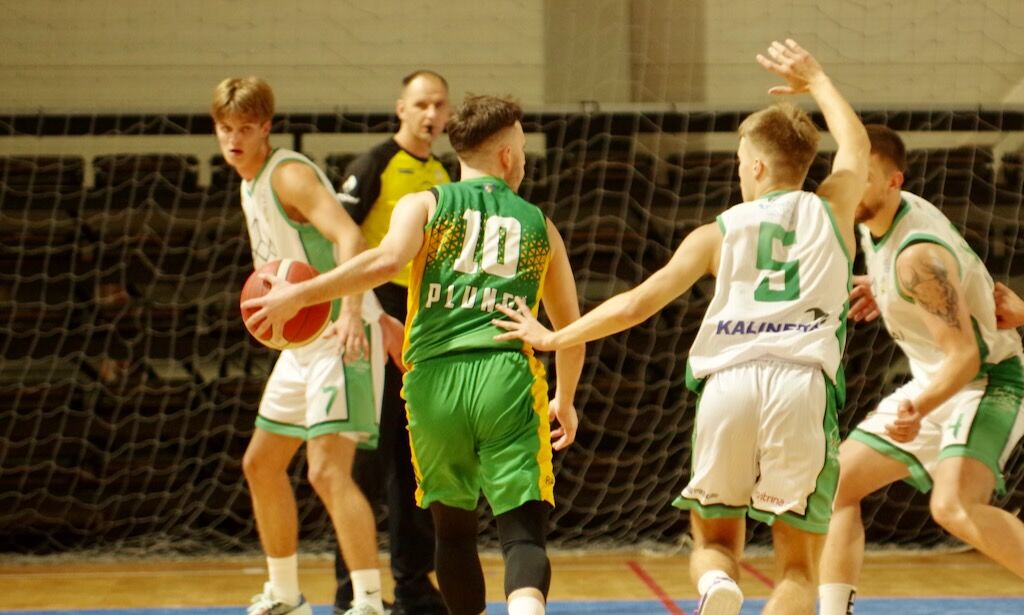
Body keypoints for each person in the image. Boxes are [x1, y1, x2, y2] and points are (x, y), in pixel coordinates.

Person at [490, 39, 868, 615]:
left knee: (714, 543)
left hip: (728, 386)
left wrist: (554, 337)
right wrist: (816, 78)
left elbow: (636, 304)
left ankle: (717, 585)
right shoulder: (833, 208)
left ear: (757, 165)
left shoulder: (717, 233)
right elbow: (857, 145)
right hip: (801, 386)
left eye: (740, 161)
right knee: (797, 569)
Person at [243, 94, 585, 615]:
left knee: (453, 532)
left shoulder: (424, 204)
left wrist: (302, 294)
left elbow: (383, 262)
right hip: (505, 377)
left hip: (433, 384)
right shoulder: (540, 225)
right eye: (520, 149)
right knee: (522, 531)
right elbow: (572, 330)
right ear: (507, 156)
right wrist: (565, 398)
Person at [817, 125, 1024, 614]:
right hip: (940, 378)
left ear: (894, 181)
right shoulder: (878, 220)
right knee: (833, 487)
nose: (852, 187)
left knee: (954, 506)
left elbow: (965, 357)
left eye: (865, 178)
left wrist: (920, 407)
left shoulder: (916, 258)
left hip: (986, 380)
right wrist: (884, 287)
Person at [212, 76, 395, 615]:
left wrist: (355, 314)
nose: (234, 139)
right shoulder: (248, 183)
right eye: (226, 128)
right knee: (260, 463)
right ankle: (286, 596)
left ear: (266, 127)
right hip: (304, 344)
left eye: (245, 128)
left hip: (341, 333)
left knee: (326, 471)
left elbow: (352, 237)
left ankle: (368, 603)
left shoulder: (287, 175)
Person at [333, 69, 451, 615]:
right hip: (374, 317)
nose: (431, 114)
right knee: (364, 461)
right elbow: (340, 240)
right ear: (400, 108)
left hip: (423, 322)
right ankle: (352, 588)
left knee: (415, 459)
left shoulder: (444, 174)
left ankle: (413, 585)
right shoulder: (374, 164)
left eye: (439, 105)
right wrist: (362, 314)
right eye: (421, 103)